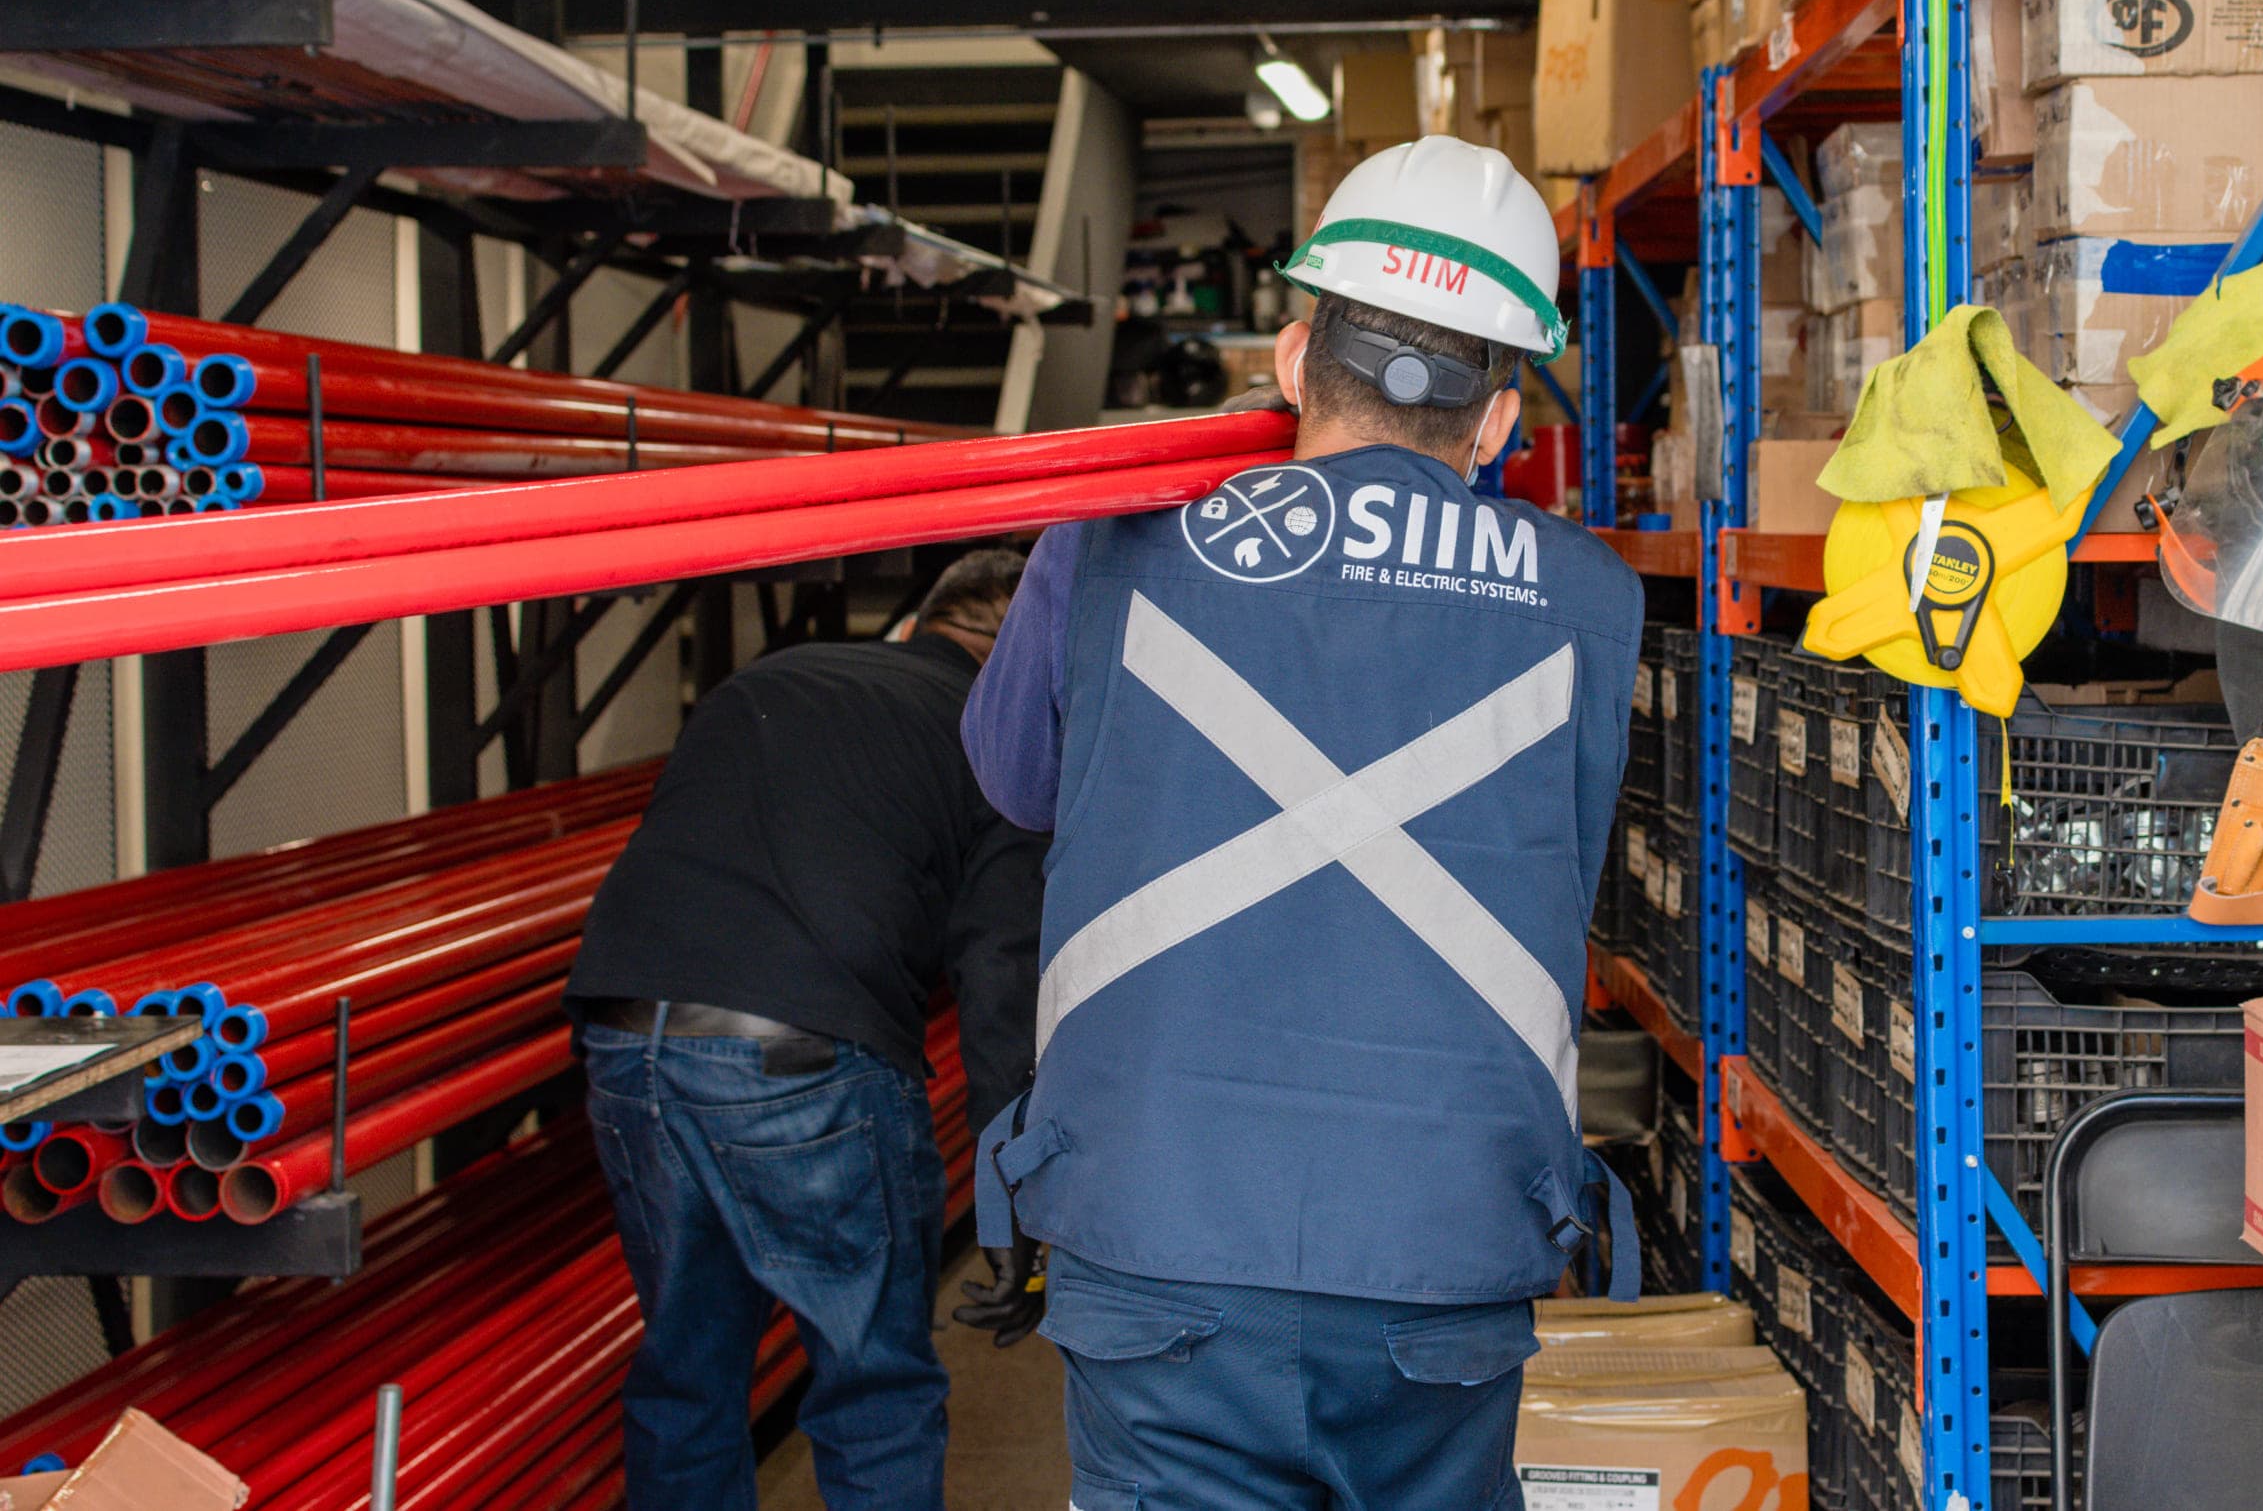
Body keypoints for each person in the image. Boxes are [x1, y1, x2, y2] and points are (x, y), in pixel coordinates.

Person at [960, 135, 1643, 1510]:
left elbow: (1015, 778)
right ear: (1497, 421)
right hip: (1442, 1235)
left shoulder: (1106, 541)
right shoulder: (1588, 599)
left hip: (1159, 1223)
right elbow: (1563, 852)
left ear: (1288, 358)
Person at [567, 550, 1045, 1511]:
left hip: (627, 1037)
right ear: (1017, 657)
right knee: (874, 1386)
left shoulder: (775, 676)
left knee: (688, 1374)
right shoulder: (994, 737)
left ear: (922, 622)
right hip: (802, 1056)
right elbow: (1000, 983)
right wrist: (1013, 1204)